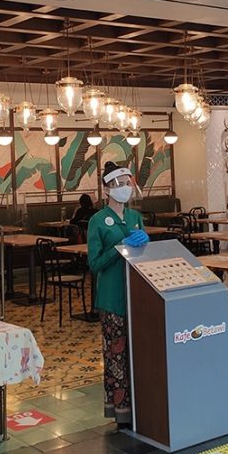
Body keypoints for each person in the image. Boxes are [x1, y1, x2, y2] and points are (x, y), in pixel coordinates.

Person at [87, 162, 149, 427]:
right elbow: (94, 263)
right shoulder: (98, 221)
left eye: (127, 183)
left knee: (138, 352)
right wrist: (119, 247)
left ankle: (142, 406)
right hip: (112, 298)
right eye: (119, 184)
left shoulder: (135, 217)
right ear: (106, 189)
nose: (125, 188)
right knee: (116, 355)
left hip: (137, 295)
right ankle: (121, 411)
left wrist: (145, 244)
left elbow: (144, 254)